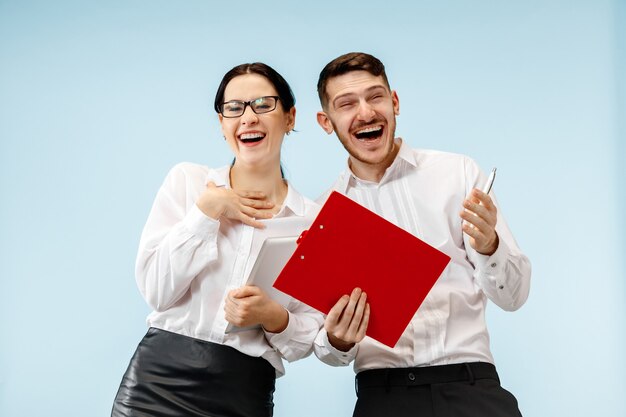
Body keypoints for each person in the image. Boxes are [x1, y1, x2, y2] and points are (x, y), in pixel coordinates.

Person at [313, 52, 531, 417]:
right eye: (347, 104)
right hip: (383, 396)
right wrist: (337, 339)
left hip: (472, 389)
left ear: (394, 102)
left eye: (375, 96)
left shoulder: (458, 173)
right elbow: (322, 346)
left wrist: (490, 245)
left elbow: (515, 297)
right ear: (326, 121)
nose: (365, 112)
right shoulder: (323, 215)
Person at [111, 62, 323, 417]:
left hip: (242, 392)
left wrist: (274, 317)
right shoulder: (188, 182)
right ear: (223, 124)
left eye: (263, 104)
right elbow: (157, 291)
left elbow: (305, 341)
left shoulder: (313, 222)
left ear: (290, 117)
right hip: (157, 380)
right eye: (234, 108)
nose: (248, 117)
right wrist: (207, 211)